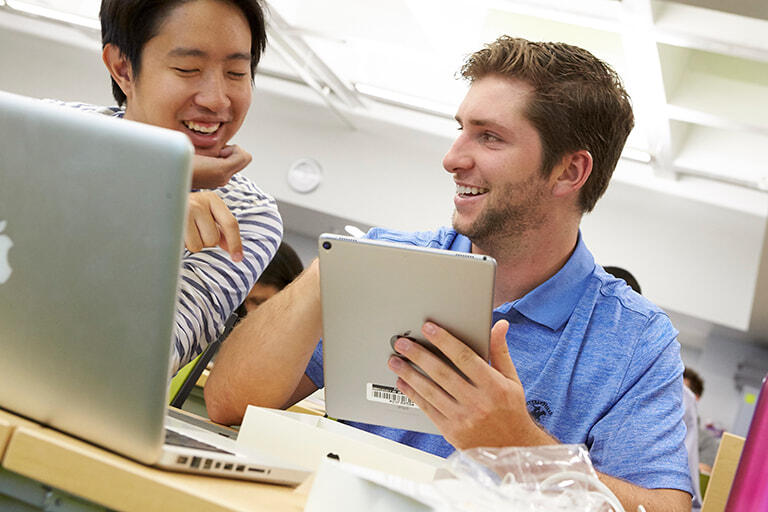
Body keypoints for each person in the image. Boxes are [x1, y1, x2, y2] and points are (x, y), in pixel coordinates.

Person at [206, 36, 692, 511]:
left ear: (569, 172)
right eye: (461, 129)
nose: (452, 158)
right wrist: (335, 267)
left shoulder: (636, 340)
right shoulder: (382, 262)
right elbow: (228, 404)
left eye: (489, 137)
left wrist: (516, 445)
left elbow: (661, 507)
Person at [54, 0, 282, 375]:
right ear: (123, 68)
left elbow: (139, 364)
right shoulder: (48, 132)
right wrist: (150, 185)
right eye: (188, 69)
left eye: (237, 73)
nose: (216, 99)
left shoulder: (245, 213)